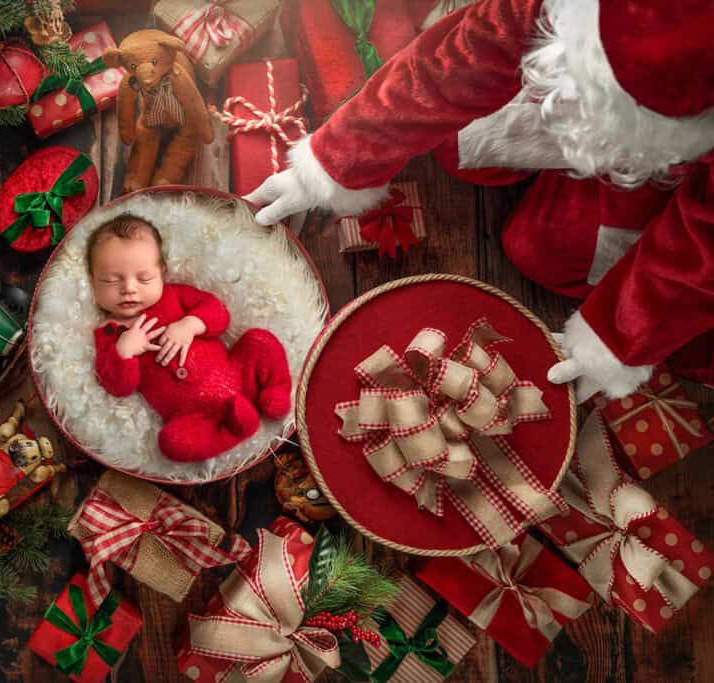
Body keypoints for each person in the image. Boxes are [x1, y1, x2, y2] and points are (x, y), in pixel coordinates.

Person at [245, 0, 714, 402]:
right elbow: (465, 53)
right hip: (613, 111)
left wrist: (620, 335)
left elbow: (704, 247)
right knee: (460, 143)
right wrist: (336, 159)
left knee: (542, 249)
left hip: (689, 177)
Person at [88, 213, 292, 462]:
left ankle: (276, 391)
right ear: (93, 282)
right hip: (193, 416)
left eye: (144, 278)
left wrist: (190, 324)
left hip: (237, 374)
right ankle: (231, 430)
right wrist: (124, 352)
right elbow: (118, 387)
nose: (129, 288)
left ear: (161, 272)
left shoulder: (174, 296)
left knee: (260, 341)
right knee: (171, 443)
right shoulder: (108, 334)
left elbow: (219, 313)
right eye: (110, 280)